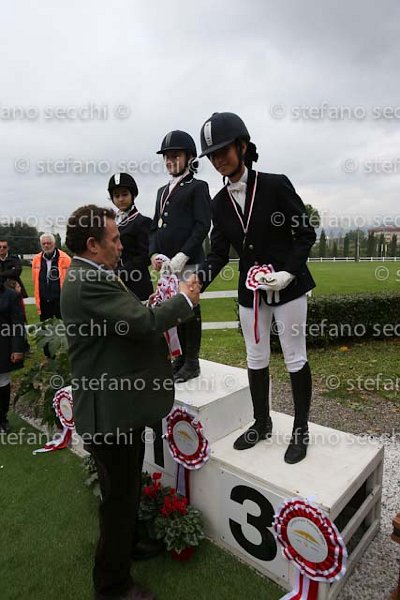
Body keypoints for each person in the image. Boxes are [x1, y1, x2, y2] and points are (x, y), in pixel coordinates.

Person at [61, 204, 200, 600]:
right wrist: (184, 301)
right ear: (93, 244)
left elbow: (127, 320)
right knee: (119, 501)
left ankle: (130, 544)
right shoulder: (89, 280)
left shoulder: (91, 274)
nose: (121, 245)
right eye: (115, 239)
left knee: (125, 491)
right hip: (111, 415)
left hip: (116, 409)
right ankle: (113, 585)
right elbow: (143, 323)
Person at [197, 112, 316, 464]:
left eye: (223, 151)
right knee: (255, 357)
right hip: (250, 291)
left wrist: (289, 272)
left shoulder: (276, 185)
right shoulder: (218, 203)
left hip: (288, 286)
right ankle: (261, 422)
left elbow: (305, 233)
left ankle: (300, 430)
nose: (218, 160)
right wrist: (196, 282)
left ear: (243, 146)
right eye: (212, 155)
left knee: (294, 356)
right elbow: (218, 253)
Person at [149, 130, 211, 382]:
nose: (170, 161)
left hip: (189, 261)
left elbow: (202, 225)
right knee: (174, 309)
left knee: (190, 309)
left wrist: (183, 255)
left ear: (189, 158)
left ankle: (192, 361)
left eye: (175, 155)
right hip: (167, 266)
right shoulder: (161, 191)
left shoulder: (198, 187)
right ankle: (180, 358)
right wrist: (154, 253)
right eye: (167, 157)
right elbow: (155, 227)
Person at [108, 173, 153, 301]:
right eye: (116, 196)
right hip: (115, 285)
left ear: (132, 195)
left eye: (124, 194)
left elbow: (145, 257)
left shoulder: (143, 222)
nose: (121, 199)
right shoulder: (111, 223)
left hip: (138, 284)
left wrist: (122, 272)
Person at [0, 276, 26, 433]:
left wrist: (17, 349)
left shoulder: (11, 296)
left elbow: (18, 324)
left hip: (2, 347)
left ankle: (2, 418)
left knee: (2, 383)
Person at [32, 233, 71, 320]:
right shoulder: (36, 259)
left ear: (54, 244)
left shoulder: (66, 259)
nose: (46, 245)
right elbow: (35, 281)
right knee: (45, 327)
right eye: (44, 243)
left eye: (48, 243)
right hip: (43, 301)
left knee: (61, 326)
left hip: (60, 301)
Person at [0, 240, 28, 313]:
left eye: (4, 247)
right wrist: (11, 271)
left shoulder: (14, 258)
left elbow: (17, 271)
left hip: (14, 289)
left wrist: (1, 274)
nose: (2, 248)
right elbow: (13, 272)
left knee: (17, 311)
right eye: (0, 247)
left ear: (8, 248)